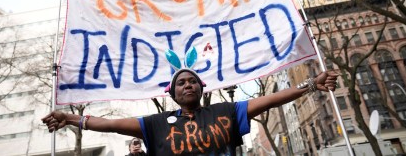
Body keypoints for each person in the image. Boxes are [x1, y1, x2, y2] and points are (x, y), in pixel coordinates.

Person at [42, 48, 338, 156]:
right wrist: (70, 118)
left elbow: (270, 100)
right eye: (181, 82)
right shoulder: (155, 124)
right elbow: (109, 125)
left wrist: (311, 84)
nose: (188, 84)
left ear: (201, 88)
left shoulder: (226, 111)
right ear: (172, 92)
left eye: (193, 80)